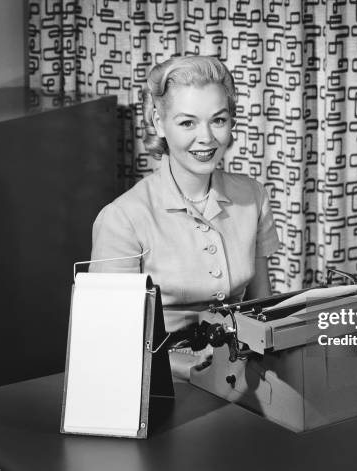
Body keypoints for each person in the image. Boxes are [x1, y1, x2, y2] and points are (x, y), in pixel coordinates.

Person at [89, 55, 281, 347]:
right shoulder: (121, 219)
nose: (205, 137)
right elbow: (110, 341)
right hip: (162, 382)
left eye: (218, 120)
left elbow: (262, 308)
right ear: (159, 122)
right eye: (187, 123)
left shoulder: (252, 196)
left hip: (242, 369)